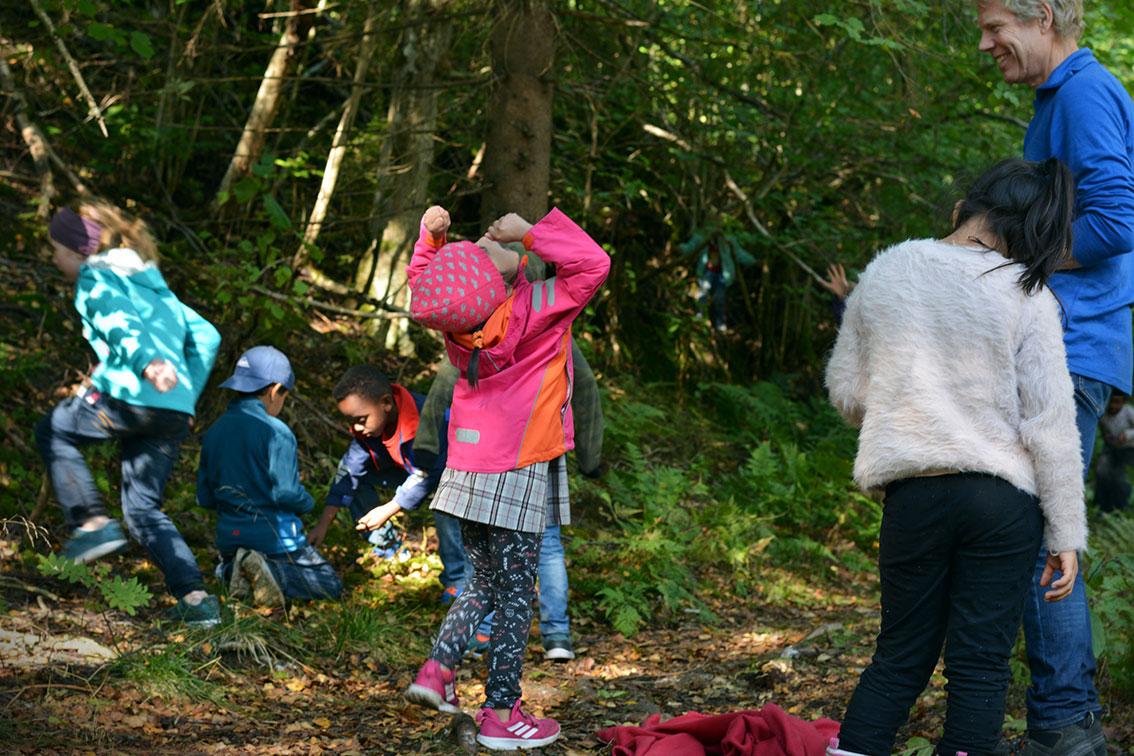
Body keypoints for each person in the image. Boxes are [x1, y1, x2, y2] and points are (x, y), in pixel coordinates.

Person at [824, 158, 1086, 756]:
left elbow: (847, 391)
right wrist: (1065, 533)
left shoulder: (888, 270)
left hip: (915, 492)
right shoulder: (1027, 292)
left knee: (899, 653)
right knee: (980, 663)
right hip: (1002, 502)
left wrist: (904, 404)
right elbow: (1050, 425)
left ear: (962, 210)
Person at [977, 2, 1134, 751]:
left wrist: (1012, 257)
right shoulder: (1067, 96)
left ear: (1042, 16)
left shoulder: (1081, 93)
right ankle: (1066, 720)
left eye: (993, 26)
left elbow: (1116, 222)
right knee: (1047, 531)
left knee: (1047, 535)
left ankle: (1065, 728)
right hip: (1065, 347)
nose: (986, 45)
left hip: (1067, 351)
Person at [401, 204, 609, 751]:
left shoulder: (459, 325)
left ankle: (437, 670)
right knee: (516, 592)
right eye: (487, 250)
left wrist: (432, 238)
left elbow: (427, 286)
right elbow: (591, 264)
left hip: (467, 469)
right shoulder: (533, 310)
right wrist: (531, 235)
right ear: (499, 279)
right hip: (517, 466)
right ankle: (500, 712)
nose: (490, 241)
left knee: (486, 581)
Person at [35, 200, 223, 627]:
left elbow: (119, 322)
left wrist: (147, 362)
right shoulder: (156, 289)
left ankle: (91, 523)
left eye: (56, 252)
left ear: (76, 252)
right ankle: (196, 601)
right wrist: (186, 393)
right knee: (143, 511)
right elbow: (207, 336)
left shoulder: (95, 276)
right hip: (170, 410)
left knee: (54, 430)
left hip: (131, 395)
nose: (55, 259)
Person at [415, 340, 604, 662]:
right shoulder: (554, 326)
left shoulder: (482, 328)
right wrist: (591, 454)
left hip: (489, 451)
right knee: (548, 544)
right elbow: (584, 385)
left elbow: (446, 381)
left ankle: (485, 633)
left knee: (490, 551)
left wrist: (427, 444)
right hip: (541, 446)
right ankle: (557, 636)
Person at [197, 346, 342, 607]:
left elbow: (205, 497)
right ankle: (270, 572)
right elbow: (285, 492)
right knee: (330, 583)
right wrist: (308, 502)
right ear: (275, 390)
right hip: (275, 539)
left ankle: (231, 571)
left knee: (235, 559)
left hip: (230, 537)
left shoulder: (215, 430)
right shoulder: (276, 431)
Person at [307, 365, 461, 601]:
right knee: (354, 480)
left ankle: (458, 580)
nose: (356, 428)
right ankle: (389, 546)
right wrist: (323, 524)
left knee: (447, 507)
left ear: (386, 403)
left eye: (361, 420)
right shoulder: (369, 429)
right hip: (407, 472)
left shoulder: (427, 418)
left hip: (452, 475)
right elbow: (349, 471)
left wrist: (388, 509)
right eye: (351, 421)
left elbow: (428, 474)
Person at [679, 226, 755, 332]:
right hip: (706, 272)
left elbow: (739, 254)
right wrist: (679, 248)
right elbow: (690, 247)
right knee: (702, 297)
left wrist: (753, 261)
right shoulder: (700, 237)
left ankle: (720, 325)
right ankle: (699, 321)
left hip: (722, 274)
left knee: (719, 299)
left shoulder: (728, 239)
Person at [1093, 393, 1134, 513]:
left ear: (1123, 402)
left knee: (1121, 477)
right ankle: (1102, 507)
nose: (1113, 406)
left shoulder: (1128, 412)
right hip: (1111, 448)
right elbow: (1104, 431)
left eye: (1117, 402)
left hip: (1129, 449)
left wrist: (1127, 434)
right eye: (1111, 402)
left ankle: (1120, 509)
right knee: (1102, 472)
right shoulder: (1103, 414)